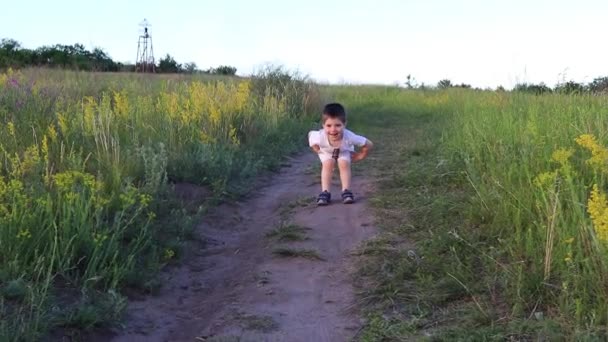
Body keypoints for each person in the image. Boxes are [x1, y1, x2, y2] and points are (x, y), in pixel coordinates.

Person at [308, 103, 373, 205]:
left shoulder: (349, 136)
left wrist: (361, 155)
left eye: (338, 125)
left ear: (344, 124)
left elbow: (369, 144)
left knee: (343, 164)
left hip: (344, 151)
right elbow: (311, 136)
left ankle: (346, 191)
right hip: (326, 151)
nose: (333, 129)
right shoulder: (320, 136)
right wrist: (316, 149)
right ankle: (325, 192)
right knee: (328, 164)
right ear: (323, 125)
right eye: (328, 126)